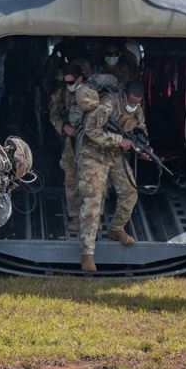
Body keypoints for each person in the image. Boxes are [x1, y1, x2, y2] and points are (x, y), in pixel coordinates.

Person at [77, 80, 138, 272]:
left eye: (138, 102)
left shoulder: (137, 109)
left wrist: (142, 146)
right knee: (93, 201)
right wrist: (120, 140)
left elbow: (139, 128)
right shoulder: (107, 106)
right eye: (131, 101)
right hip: (93, 154)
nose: (134, 105)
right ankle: (87, 254)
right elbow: (91, 131)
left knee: (130, 191)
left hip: (113, 155)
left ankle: (116, 228)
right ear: (124, 95)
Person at [48, 60, 92, 231]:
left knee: (92, 181)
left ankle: (92, 217)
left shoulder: (92, 94)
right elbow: (54, 115)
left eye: (71, 82)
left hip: (90, 143)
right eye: (65, 82)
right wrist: (64, 127)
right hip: (70, 143)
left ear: (80, 79)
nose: (68, 86)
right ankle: (75, 216)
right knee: (72, 178)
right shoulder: (62, 94)